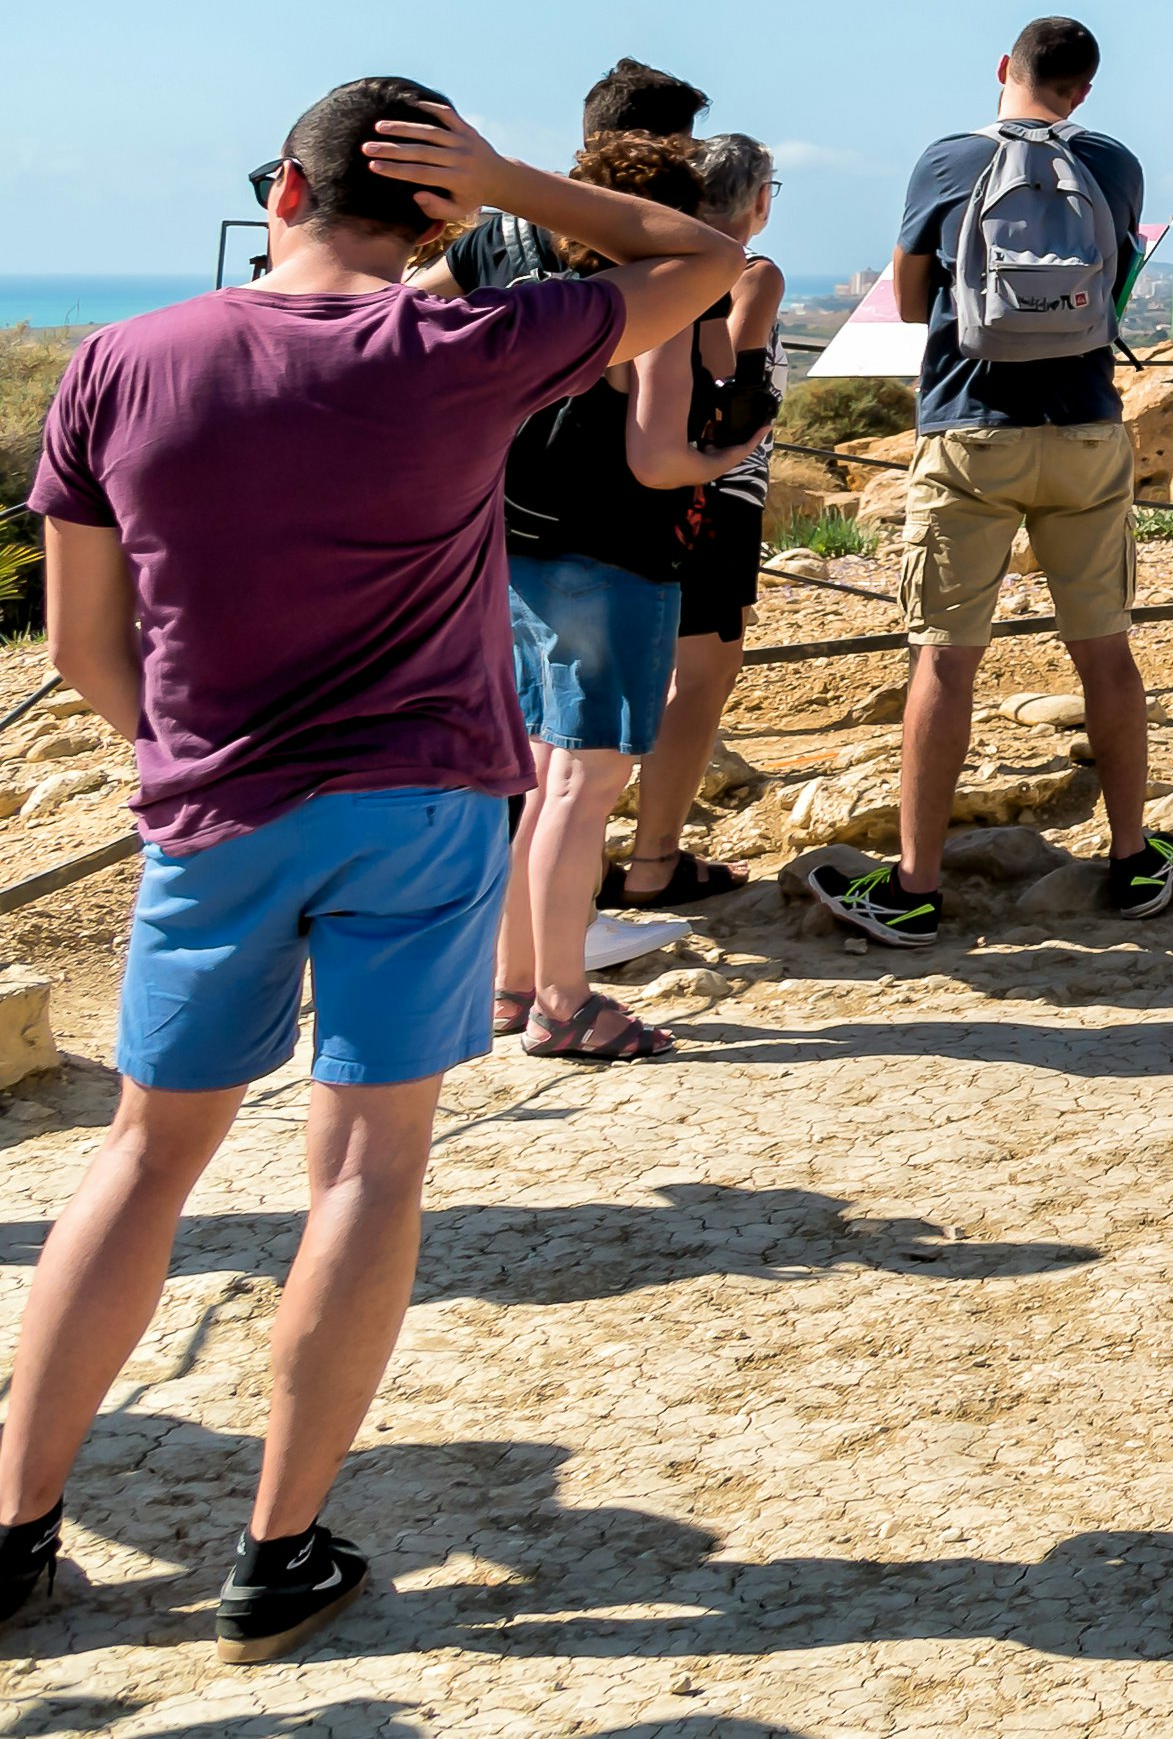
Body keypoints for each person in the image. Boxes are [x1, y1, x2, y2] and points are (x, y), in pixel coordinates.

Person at [10, 82, 737, 1658]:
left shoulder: (121, 360)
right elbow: (701, 256)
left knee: (141, 1158)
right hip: (419, 804)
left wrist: (192, 748)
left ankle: (14, 1537)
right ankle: (275, 1559)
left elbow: (77, 644)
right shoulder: (463, 346)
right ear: (439, 216)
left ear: (283, 190)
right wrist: (512, 180)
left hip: (215, 806)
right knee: (364, 1169)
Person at [805, 17, 1173, 948]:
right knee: (1106, 653)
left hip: (972, 428)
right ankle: (1132, 859)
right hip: (1086, 427)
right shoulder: (1115, 165)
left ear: (1005, 67)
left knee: (944, 659)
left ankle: (915, 887)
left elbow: (908, 301)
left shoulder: (948, 160)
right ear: (1084, 90)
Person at [492, 134, 753, 1059]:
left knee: (543, 777)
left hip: (522, 559)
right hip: (612, 564)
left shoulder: (547, 300)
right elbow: (655, 459)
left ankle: (515, 982)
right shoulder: (657, 306)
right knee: (585, 783)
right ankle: (565, 1004)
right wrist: (729, 455)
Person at [610, 132, 785, 913]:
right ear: (758, 201)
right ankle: (655, 860)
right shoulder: (753, 272)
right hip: (719, 495)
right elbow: (731, 372)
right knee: (701, 680)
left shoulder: (651, 268)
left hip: (638, 491)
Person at [440, 55, 708, 295]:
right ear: (666, 150)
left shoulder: (497, 236)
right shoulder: (688, 252)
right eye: (688, 148)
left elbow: (417, 310)